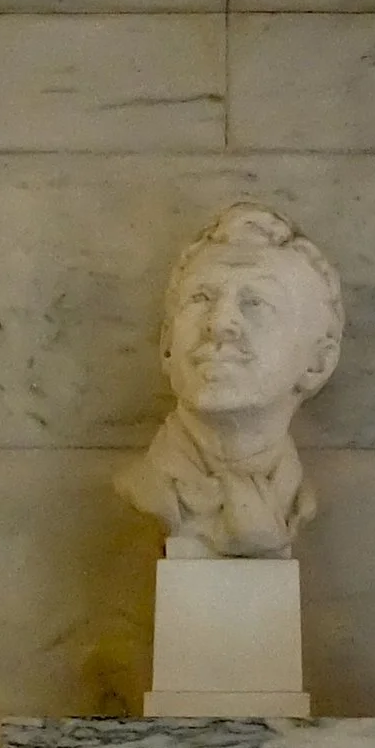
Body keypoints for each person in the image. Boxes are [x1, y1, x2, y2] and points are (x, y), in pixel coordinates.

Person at [116, 201, 344, 558]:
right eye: (201, 298)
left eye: (256, 303)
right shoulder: (144, 488)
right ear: (166, 347)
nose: (220, 323)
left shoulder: (300, 500)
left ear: (318, 362)